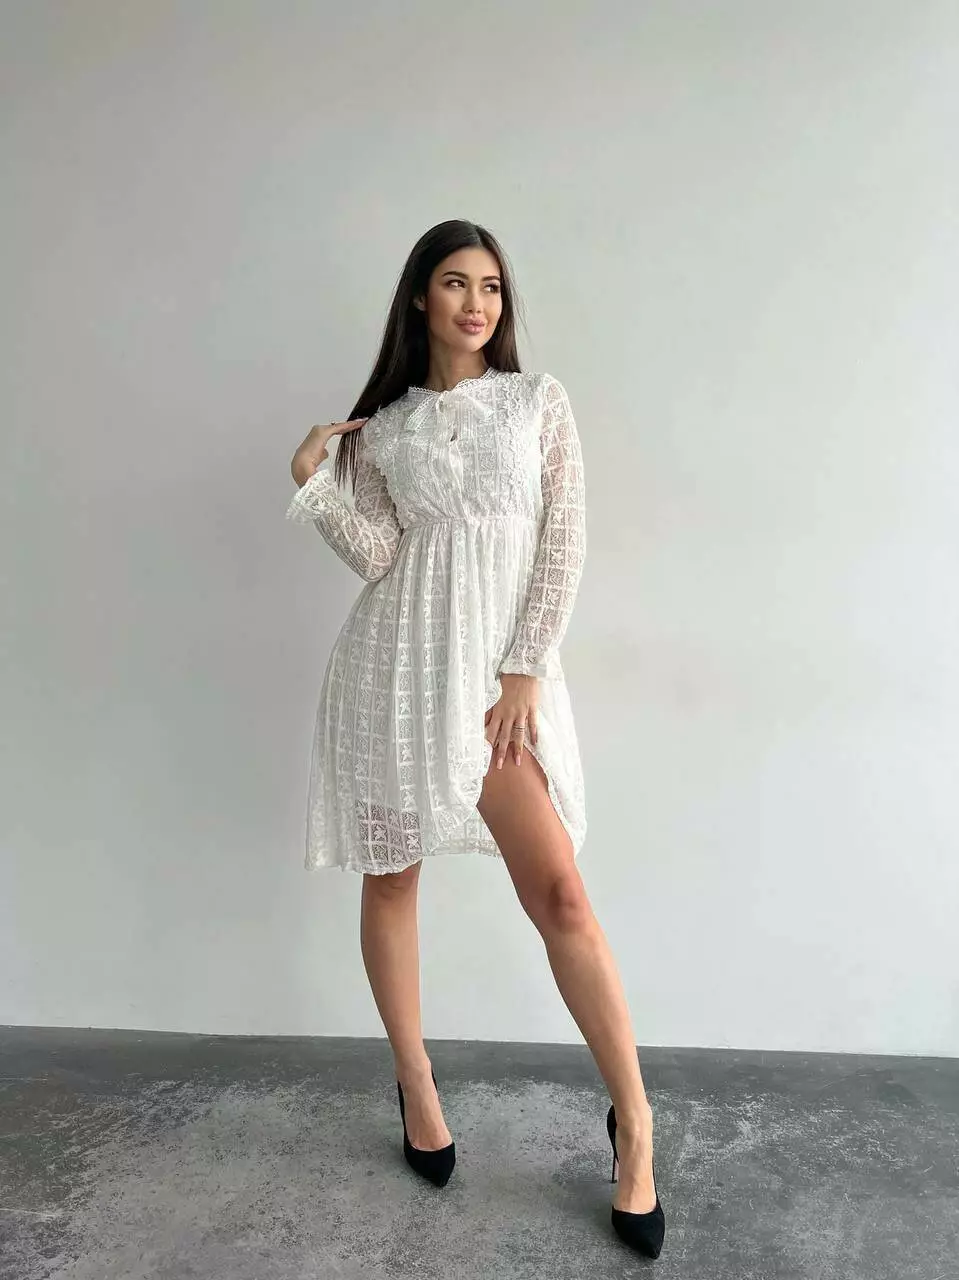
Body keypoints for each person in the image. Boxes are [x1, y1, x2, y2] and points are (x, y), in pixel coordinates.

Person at [286, 219, 665, 1259]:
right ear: (420, 296)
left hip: (498, 689)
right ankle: (414, 1082)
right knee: (393, 880)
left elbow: (563, 538)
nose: (476, 303)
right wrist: (315, 480)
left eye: (491, 286)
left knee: (561, 897)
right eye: (455, 283)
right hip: (394, 675)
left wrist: (523, 668)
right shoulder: (386, 429)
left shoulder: (535, 401)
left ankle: (634, 1122)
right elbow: (380, 557)